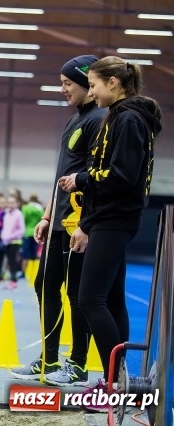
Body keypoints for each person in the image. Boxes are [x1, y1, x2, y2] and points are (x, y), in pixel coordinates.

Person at [58, 56, 162, 400]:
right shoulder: (119, 116)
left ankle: (114, 381)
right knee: (113, 299)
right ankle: (118, 379)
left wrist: (81, 180)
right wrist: (87, 221)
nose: (91, 93)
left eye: (93, 86)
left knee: (90, 299)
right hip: (107, 217)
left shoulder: (128, 119)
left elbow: (121, 176)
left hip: (115, 218)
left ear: (113, 83)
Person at [10, 55, 107, 385]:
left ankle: (78, 364)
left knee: (77, 295)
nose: (63, 89)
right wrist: (47, 215)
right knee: (45, 285)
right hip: (58, 222)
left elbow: (94, 178)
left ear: (86, 85)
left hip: (78, 224)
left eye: (68, 83)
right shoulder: (75, 120)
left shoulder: (99, 120)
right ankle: (49, 359)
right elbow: (63, 176)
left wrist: (84, 224)